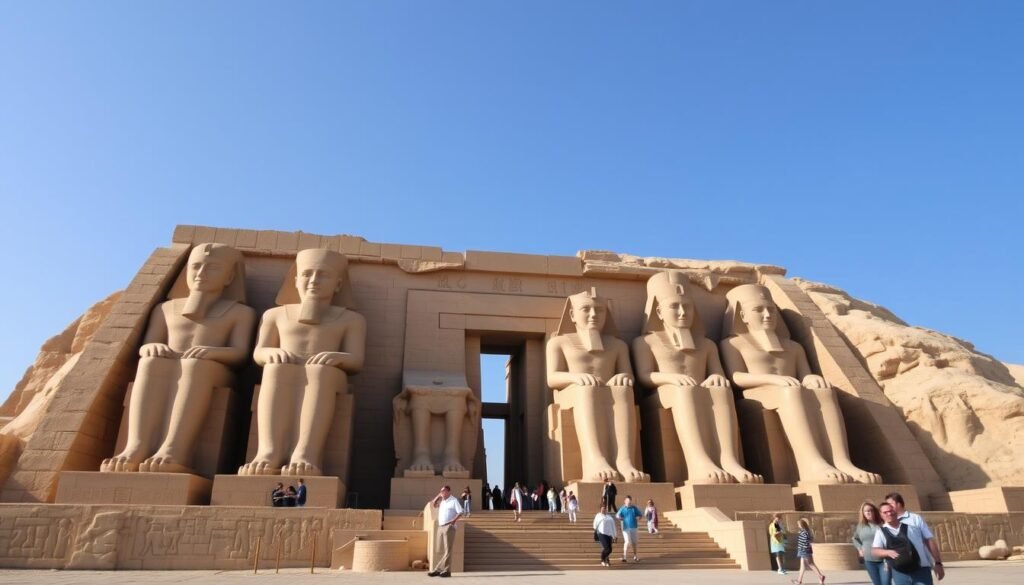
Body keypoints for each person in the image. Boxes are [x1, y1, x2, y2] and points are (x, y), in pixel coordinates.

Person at [101, 243, 255, 474]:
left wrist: (210, 352)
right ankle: (137, 445)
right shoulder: (165, 309)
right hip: (171, 363)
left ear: (230, 276)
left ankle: (176, 448)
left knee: (194, 365)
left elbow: (240, 353)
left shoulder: (239, 312)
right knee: (151, 362)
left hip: (214, 370)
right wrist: (152, 348)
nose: (201, 274)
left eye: (212, 268)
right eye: (196, 267)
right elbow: (147, 345)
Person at [720, 284, 880, 484]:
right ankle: (811, 462)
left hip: (790, 388)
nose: (767, 315)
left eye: (770, 309)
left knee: (824, 392)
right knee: (792, 391)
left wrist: (811, 378)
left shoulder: (793, 347)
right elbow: (737, 377)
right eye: (758, 310)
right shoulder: (734, 343)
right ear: (742, 315)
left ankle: (841, 460)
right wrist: (773, 379)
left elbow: (804, 374)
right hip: (758, 394)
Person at [240, 248, 367, 476]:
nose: (314, 281)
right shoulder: (274, 314)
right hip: (286, 369)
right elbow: (259, 352)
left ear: (338, 285)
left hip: (328, 374)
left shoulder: (351, 319)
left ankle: (306, 453)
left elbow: (356, 361)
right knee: (276, 368)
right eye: (307, 274)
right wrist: (270, 354)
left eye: (323, 275)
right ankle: (269, 451)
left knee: (318, 371)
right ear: (296, 280)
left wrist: (337, 357)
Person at [633, 271, 762, 483]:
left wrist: (716, 378)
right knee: (686, 390)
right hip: (663, 394)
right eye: (674, 306)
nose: (683, 312)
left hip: (698, 391)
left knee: (720, 390)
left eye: (688, 306)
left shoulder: (707, 344)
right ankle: (699, 461)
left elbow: (719, 374)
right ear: (659, 311)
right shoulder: (646, 342)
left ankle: (729, 460)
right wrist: (671, 378)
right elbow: (645, 376)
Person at [546, 289, 649, 482]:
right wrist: (576, 378)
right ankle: (595, 459)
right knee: (588, 389)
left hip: (607, 391)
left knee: (623, 388)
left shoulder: (618, 345)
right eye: (586, 309)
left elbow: (628, 375)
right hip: (573, 392)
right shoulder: (558, 342)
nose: (594, 315)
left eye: (599, 310)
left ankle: (625, 461)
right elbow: (552, 378)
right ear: (572, 315)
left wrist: (624, 377)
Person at [873, 501, 942, 585]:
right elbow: (875, 550)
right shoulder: (881, 531)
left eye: (891, 511)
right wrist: (887, 552)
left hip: (921, 569)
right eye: (885, 512)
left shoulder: (911, 527)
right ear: (881, 515)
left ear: (896, 511)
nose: (889, 514)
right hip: (900, 572)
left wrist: (938, 563)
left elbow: (928, 541)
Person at [427, 485, 463, 578]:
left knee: (448, 551)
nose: (442, 492)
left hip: (448, 527)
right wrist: (438, 497)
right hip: (440, 527)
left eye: (443, 491)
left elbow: (461, 512)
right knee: (440, 550)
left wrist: (453, 521)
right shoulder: (443, 502)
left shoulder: (453, 500)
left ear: (448, 491)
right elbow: (433, 505)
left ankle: (443, 570)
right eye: (441, 491)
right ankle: (441, 570)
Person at [853, 501, 887, 585]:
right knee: (877, 583)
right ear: (863, 513)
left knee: (885, 583)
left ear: (875, 511)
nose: (869, 512)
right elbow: (855, 538)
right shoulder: (861, 526)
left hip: (884, 560)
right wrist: (860, 548)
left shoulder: (882, 524)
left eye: (871, 510)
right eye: (866, 511)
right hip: (869, 561)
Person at [793, 517, 825, 585]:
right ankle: (799, 581)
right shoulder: (807, 531)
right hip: (806, 551)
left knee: (810, 564)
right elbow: (810, 540)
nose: (798, 525)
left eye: (798, 524)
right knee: (803, 566)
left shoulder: (804, 532)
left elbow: (805, 542)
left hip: (804, 551)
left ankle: (820, 576)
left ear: (801, 525)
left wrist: (804, 549)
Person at [616, 495, 642, 563]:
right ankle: (624, 556)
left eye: (630, 501)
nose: (629, 502)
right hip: (626, 528)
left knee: (634, 543)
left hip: (634, 527)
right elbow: (617, 515)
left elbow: (640, 515)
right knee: (627, 542)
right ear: (625, 501)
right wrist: (620, 518)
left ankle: (635, 556)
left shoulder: (634, 508)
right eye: (627, 501)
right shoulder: (622, 508)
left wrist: (639, 517)